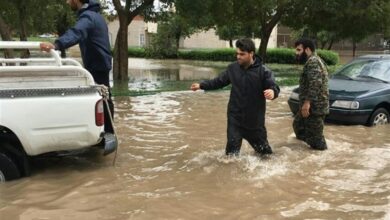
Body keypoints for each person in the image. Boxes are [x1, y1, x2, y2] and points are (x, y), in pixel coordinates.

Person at [191, 38, 280, 156]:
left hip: (254, 122)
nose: (238, 57)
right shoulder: (233, 68)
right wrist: (201, 85)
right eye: (237, 54)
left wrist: (272, 92)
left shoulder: (263, 71)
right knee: (231, 157)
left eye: (242, 54)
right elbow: (218, 81)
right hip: (235, 119)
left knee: (266, 155)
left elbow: (274, 86)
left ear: (251, 54)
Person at [40, 0, 114, 133]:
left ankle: (107, 133)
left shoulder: (88, 17)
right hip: (101, 63)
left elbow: (76, 33)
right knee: (104, 97)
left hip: (97, 64)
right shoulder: (97, 16)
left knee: (102, 99)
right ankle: (105, 132)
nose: (68, 2)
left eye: (69, 0)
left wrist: (56, 45)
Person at [293, 38, 329, 150]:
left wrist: (307, 103)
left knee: (317, 140)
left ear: (307, 49)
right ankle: (305, 152)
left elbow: (315, 84)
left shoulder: (313, 62)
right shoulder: (313, 60)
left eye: (299, 50)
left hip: (314, 108)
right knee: (298, 126)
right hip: (310, 107)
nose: (296, 53)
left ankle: (320, 159)